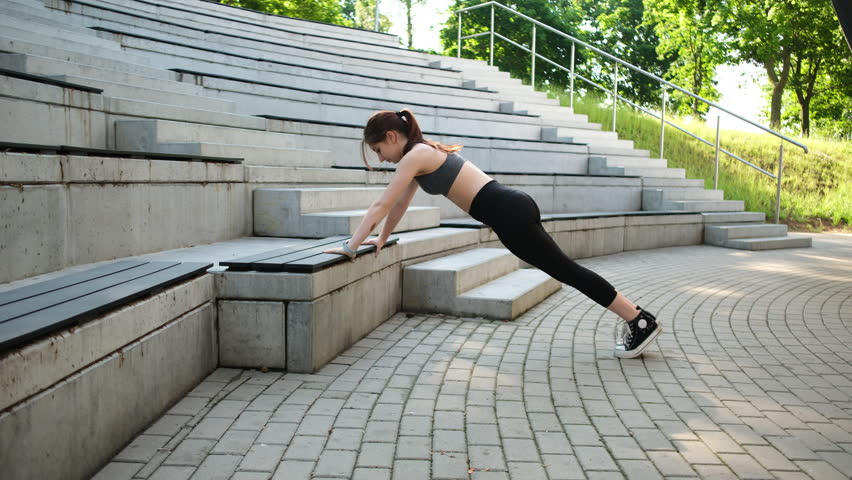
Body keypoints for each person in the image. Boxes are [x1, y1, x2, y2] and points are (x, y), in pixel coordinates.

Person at [325, 109, 661, 358]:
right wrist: (381, 238)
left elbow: (382, 203)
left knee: (567, 271)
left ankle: (639, 319)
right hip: (508, 211)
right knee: (565, 269)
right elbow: (398, 205)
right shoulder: (420, 154)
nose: (381, 158)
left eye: (378, 150)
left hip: (508, 212)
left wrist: (351, 247)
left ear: (391, 137)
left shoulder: (417, 155)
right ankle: (637, 318)